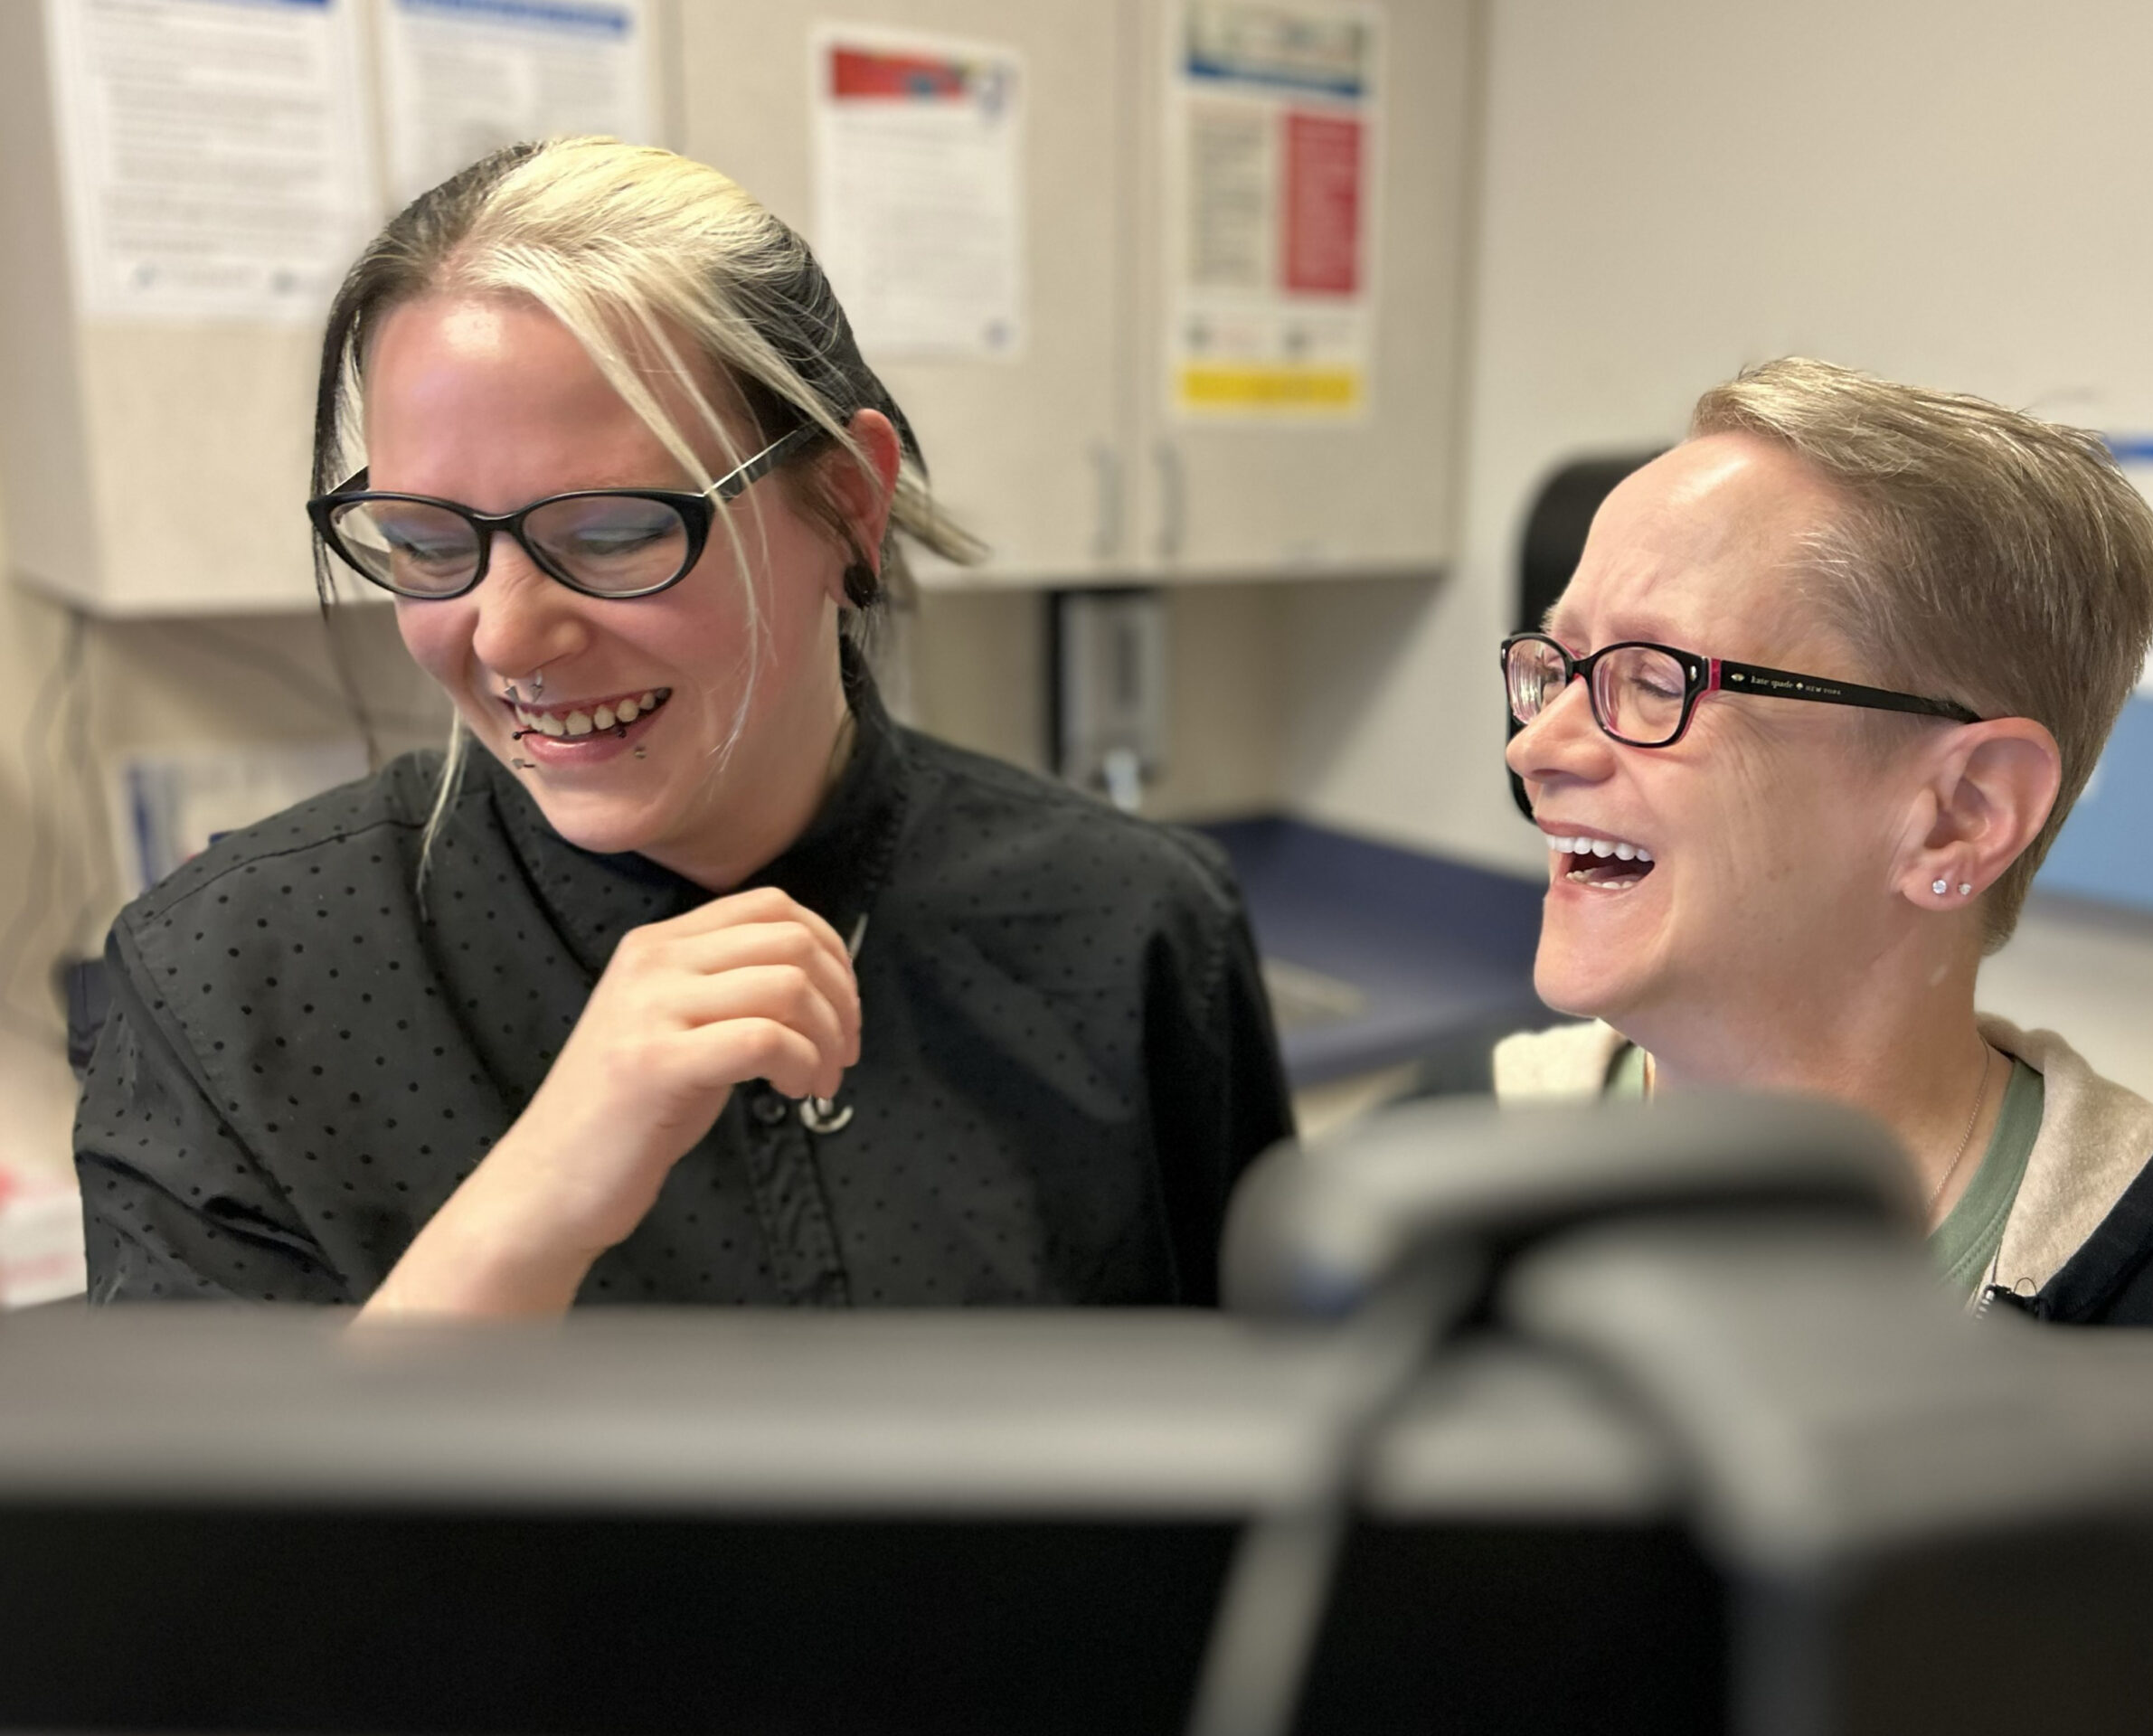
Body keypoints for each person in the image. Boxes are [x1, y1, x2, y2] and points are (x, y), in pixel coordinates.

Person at [73, 138, 1291, 1313]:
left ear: (849, 503)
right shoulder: (226, 980)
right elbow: (220, 1469)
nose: (507, 638)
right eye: (426, 546)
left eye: (612, 535)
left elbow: (1259, 1426)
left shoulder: (1133, 930)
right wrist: (538, 1200)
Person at [1495, 357, 2153, 1329]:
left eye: (1655, 680)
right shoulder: (1449, 1159)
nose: (1533, 747)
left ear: (1959, 814)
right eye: (1558, 665)